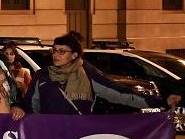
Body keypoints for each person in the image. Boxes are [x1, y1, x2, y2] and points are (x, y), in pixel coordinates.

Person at [24, 33, 173, 114]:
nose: (56, 55)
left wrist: (161, 102)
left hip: (79, 136)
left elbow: (119, 93)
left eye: (62, 51)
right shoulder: (42, 75)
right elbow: (31, 107)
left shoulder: (88, 74)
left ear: (75, 55)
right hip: (49, 135)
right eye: (54, 50)